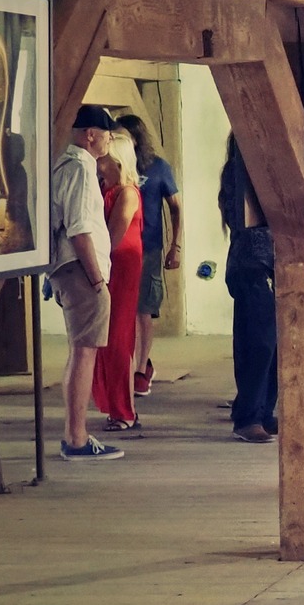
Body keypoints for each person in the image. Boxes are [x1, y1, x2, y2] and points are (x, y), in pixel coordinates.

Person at [49, 105, 124, 461]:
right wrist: (97, 280)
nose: (110, 138)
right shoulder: (79, 168)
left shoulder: (67, 165)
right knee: (84, 352)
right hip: (82, 270)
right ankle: (76, 438)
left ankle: (75, 435)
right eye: (106, 132)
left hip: (70, 269)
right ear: (90, 134)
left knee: (80, 350)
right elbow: (79, 230)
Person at [115, 114, 182, 399]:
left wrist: (175, 246)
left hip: (148, 248)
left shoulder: (158, 167)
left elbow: (176, 207)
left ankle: (141, 369)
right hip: (118, 248)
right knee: (123, 311)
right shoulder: (112, 167)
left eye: (121, 136)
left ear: (135, 139)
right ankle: (127, 366)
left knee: (143, 309)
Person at [220, 136, 280, 445]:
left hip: (270, 264)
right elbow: (246, 219)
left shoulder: (261, 169)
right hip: (251, 265)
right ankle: (248, 417)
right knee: (258, 344)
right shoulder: (239, 171)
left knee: (273, 345)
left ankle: (263, 411)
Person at [91, 133, 145, 432]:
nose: (100, 165)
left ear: (118, 163)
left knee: (118, 338)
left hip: (120, 267)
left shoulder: (127, 193)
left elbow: (114, 236)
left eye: (105, 160)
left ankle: (125, 411)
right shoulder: (106, 189)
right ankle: (118, 408)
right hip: (112, 265)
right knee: (108, 337)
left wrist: (93, 264)